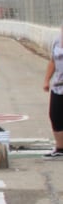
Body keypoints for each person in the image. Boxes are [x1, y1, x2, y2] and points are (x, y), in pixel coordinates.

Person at [44, 22, 63, 158]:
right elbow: (52, 61)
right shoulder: (57, 40)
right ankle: (60, 148)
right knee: (55, 115)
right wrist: (47, 80)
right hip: (58, 86)